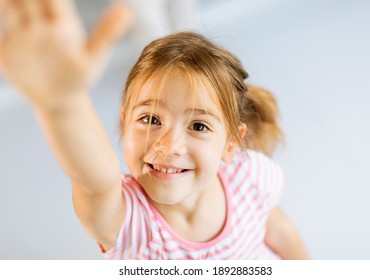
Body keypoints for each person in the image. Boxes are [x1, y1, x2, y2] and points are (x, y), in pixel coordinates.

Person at [0, 0, 308, 259]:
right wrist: (63, 105)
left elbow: (280, 232)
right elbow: (96, 182)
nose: (169, 144)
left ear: (231, 143)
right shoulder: (132, 223)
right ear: (125, 122)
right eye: (150, 119)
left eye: (198, 126)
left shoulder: (252, 177)